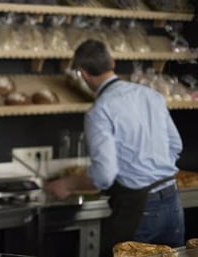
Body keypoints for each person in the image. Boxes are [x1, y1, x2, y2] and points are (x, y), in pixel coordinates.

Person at [45, 39, 184, 257]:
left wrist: (66, 185)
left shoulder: (100, 111)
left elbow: (103, 176)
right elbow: (176, 146)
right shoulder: (151, 95)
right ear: (113, 62)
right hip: (172, 203)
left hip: (139, 210)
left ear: (83, 73)